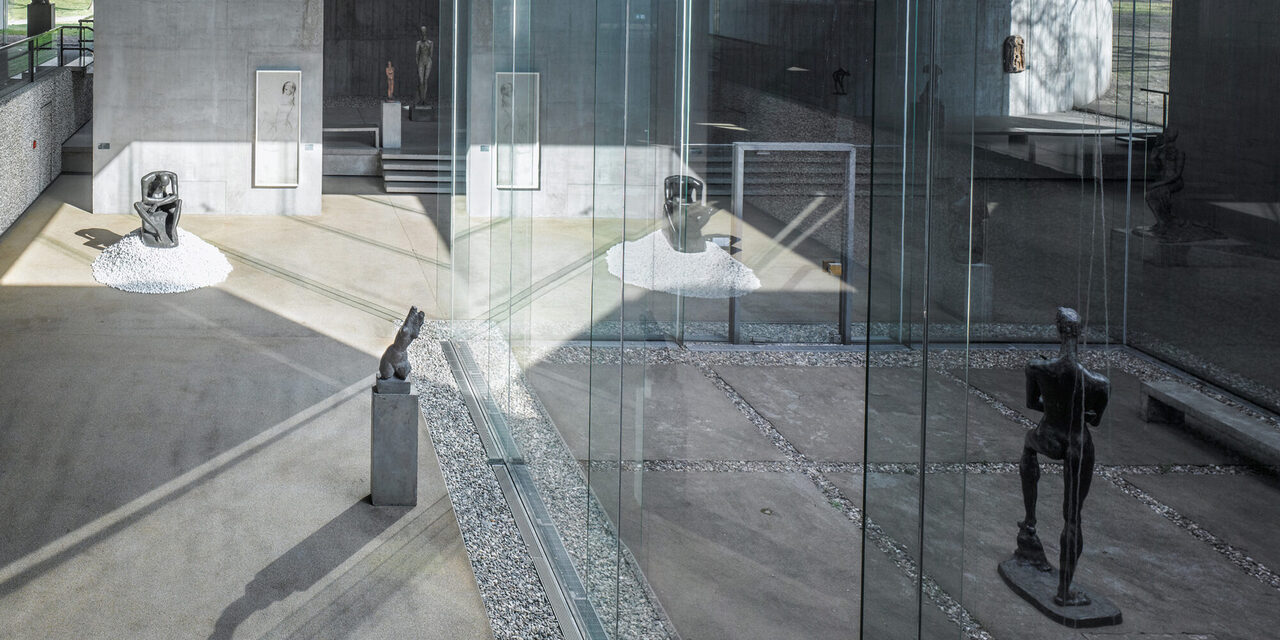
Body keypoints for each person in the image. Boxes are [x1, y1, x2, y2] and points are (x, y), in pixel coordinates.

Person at [1018, 307, 1110, 607]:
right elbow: (1094, 420)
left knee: (1029, 447)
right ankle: (1064, 589)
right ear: (1079, 334)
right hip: (1077, 441)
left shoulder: (1038, 368)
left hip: (1049, 435)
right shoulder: (1096, 382)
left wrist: (1054, 402)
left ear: (1058, 330)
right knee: (1072, 517)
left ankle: (1030, 523)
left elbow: (1034, 403)